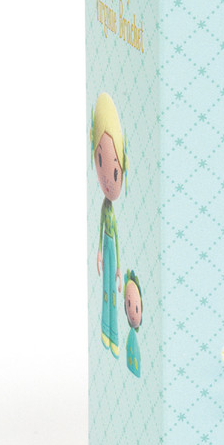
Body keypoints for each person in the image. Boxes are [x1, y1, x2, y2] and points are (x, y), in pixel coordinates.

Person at [90, 92, 128, 357]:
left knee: (113, 294)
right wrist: (99, 251)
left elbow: (117, 240)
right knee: (106, 292)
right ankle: (106, 332)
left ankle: (113, 335)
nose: (107, 179)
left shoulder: (109, 211)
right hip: (107, 248)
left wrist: (118, 266)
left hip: (112, 250)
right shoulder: (105, 208)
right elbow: (100, 231)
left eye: (114, 171)